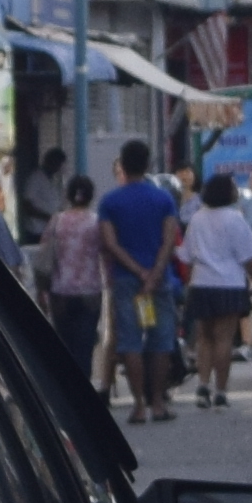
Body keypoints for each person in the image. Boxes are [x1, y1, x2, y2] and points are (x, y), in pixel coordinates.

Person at [97, 138, 187, 422]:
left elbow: (110, 243)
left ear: (122, 166)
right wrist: (154, 273)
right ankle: (158, 402)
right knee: (161, 340)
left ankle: (137, 404)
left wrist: (136, 271)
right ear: (148, 165)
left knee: (130, 341)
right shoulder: (163, 199)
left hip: (125, 280)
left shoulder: (110, 202)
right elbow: (170, 239)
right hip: (159, 280)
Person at [181, 169, 252, 405]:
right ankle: (221, 390)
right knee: (224, 339)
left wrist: (188, 285)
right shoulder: (235, 218)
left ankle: (202, 385)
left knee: (204, 338)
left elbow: (186, 257)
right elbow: (248, 257)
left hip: (201, 283)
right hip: (229, 284)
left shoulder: (197, 218)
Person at [38, 173, 108, 380]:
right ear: (91, 196)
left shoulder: (57, 221)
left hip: (60, 292)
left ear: (68, 195)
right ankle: (84, 390)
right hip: (90, 291)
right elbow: (105, 251)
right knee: (85, 346)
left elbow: (44, 256)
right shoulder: (96, 222)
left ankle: (67, 388)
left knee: (65, 347)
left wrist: (42, 289)